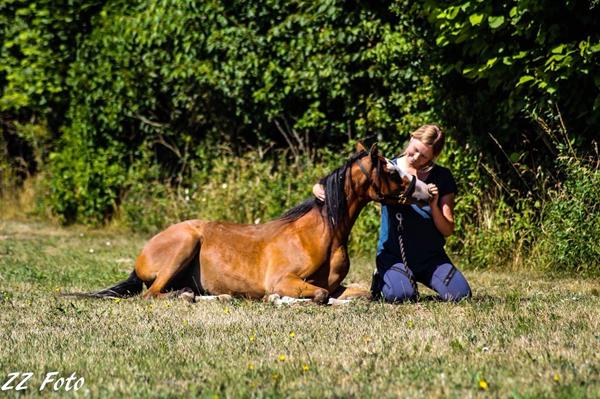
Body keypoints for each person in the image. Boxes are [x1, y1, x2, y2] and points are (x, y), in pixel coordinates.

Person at [312, 124, 471, 302]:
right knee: (401, 295)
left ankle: (411, 278)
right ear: (411, 138)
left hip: (430, 257)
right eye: (415, 149)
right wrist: (320, 185)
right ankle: (383, 278)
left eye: (424, 155)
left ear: (433, 156)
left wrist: (434, 204)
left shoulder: (442, 176)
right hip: (395, 256)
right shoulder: (388, 169)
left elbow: (447, 229)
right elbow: (351, 181)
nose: (416, 157)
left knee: (461, 295)